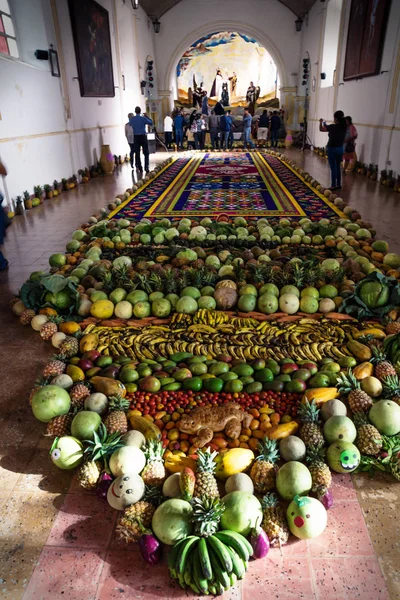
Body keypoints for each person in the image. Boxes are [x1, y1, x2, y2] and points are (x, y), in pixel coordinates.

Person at [319, 110, 347, 190]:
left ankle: (333, 185)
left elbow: (321, 129)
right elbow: (328, 127)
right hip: (340, 149)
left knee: (333, 167)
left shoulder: (333, 127)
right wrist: (325, 124)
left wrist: (321, 122)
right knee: (338, 167)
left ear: (336, 119)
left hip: (332, 149)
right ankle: (338, 184)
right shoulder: (344, 128)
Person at [129, 106, 153, 173]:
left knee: (137, 153)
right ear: (140, 111)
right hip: (143, 136)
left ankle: (140, 167)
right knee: (146, 152)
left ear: (135, 111)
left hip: (136, 137)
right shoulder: (143, 118)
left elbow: (130, 124)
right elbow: (151, 123)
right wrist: (146, 116)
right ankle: (146, 167)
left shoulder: (132, 119)